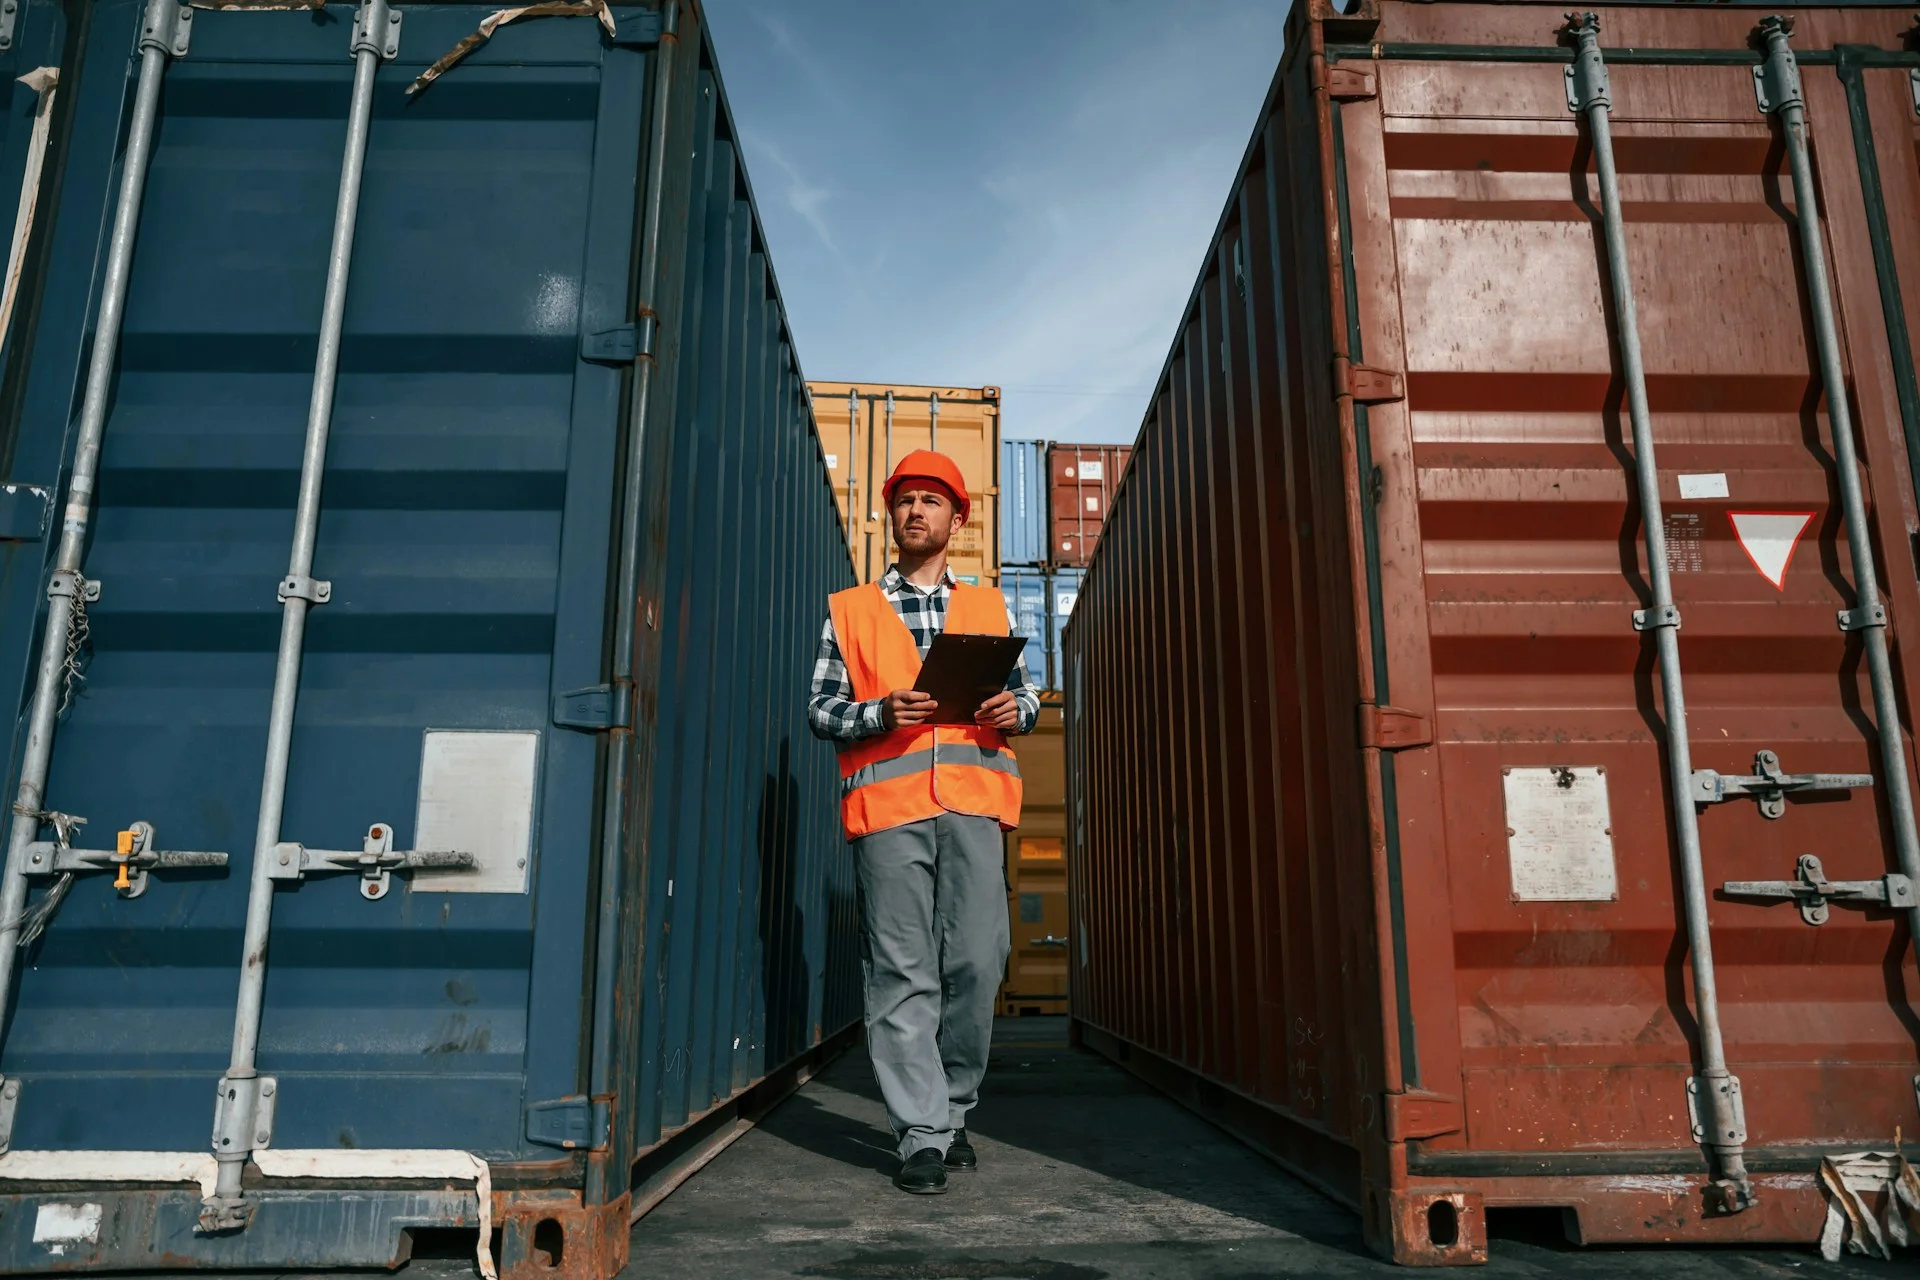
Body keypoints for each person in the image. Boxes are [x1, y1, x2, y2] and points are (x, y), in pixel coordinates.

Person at [808, 448, 1040, 1195]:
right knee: (902, 972)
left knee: (977, 962)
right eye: (905, 499)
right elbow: (821, 710)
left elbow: (1028, 699)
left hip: (972, 809)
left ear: (956, 519)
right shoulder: (850, 609)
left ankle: (955, 1106)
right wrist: (879, 712)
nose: (917, 511)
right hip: (890, 814)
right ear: (891, 514)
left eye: (932, 501)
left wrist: (1017, 709)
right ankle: (921, 1133)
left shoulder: (991, 605)